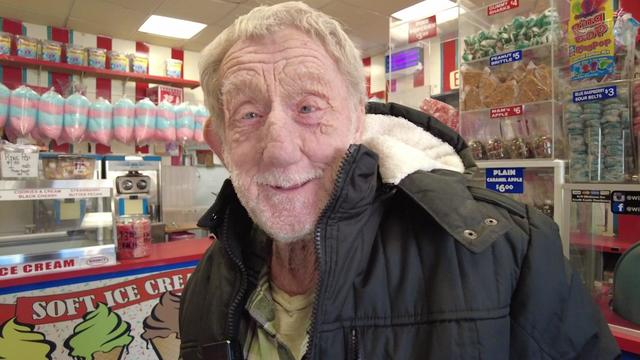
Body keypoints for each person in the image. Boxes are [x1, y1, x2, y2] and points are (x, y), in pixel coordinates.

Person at [179, 2, 620, 359]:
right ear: (219, 143)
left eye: (309, 108)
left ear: (357, 121)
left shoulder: (509, 254)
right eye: (248, 114)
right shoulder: (205, 289)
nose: (278, 148)